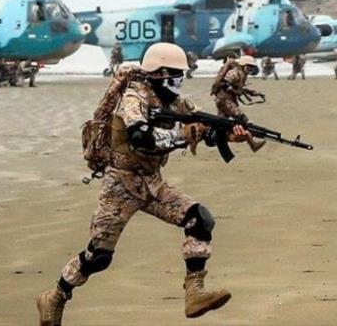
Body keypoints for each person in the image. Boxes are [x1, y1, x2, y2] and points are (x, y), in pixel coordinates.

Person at [36, 43, 239, 325]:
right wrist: (183, 135)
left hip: (153, 185)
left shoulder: (177, 104)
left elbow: (203, 127)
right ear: (162, 73)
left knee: (199, 219)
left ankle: (195, 292)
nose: (182, 79)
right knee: (99, 257)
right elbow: (140, 136)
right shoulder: (134, 97)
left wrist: (228, 134)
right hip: (120, 184)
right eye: (178, 74)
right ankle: (56, 295)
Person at [212, 56, 266, 152]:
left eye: (251, 67)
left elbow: (240, 89)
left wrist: (254, 93)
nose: (250, 69)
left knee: (220, 125)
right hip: (225, 101)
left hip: (224, 101)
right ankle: (252, 144)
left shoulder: (242, 74)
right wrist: (233, 91)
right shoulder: (235, 73)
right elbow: (224, 84)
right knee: (243, 119)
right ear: (243, 65)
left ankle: (214, 137)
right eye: (248, 67)